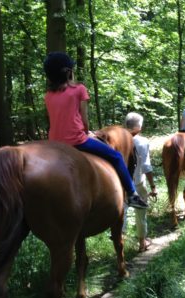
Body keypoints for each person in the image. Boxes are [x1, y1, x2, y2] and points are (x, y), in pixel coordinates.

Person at [43, 51, 147, 209]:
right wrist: (86, 132)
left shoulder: (48, 95)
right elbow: (84, 119)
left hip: (54, 144)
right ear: (69, 72)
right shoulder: (79, 89)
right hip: (77, 140)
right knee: (117, 157)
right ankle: (132, 194)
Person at [124, 112, 157, 251]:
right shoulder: (142, 141)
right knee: (141, 211)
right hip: (138, 182)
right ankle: (142, 243)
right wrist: (153, 186)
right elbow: (146, 167)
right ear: (139, 127)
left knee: (122, 212)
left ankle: (121, 243)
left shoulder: (118, 139)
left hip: (121, 184)